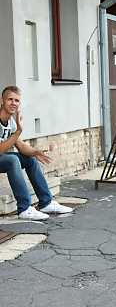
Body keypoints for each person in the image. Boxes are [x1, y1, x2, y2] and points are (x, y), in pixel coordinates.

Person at [0, 85, 73, 221]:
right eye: (10, 99)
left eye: (17, 100)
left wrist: (35, 152)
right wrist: (17, 133)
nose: (13, 103)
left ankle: (46, 203)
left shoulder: (11, 121)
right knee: (12, 160)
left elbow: (20, 145)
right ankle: (24, 208)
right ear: (2, 101)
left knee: (30, 159)